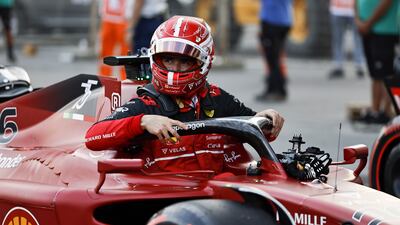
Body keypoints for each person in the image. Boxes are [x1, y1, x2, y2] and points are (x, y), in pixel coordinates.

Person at [85, 16, 285, 174]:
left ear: (205, 61)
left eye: (186, 61)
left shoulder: (216, 98)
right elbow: (93, 137)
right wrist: (143, 122)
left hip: (216, 195)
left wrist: (267, 118)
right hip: (164, 199)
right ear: (155, 58)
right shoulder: (146, 104)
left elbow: (256, 128)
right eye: (169, 59)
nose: (175, 68)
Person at [355, 0, 399, 123]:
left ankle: (386, 111)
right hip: (368, 27)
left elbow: (387, 2)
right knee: (375, 74)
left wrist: (368, 23)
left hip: (384, 29)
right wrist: (358, 19)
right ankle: (375, 110)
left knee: (386, 73)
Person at [255, 0, 293, 102]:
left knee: (272, 60)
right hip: (284, 21)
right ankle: (277, 89)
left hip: (272, 21)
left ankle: (275, 90)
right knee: (276, 58)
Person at [328, 0, 365, 79]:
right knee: (337, 39)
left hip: (355, 9)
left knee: (358, 38)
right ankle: (338, 65)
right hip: (337, 9)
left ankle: (359, 65)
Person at [98, 0, 132, 80]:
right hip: (107, 19)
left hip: (123, 20)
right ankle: (104, 79)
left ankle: (125, 79)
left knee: (125, 54)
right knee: (105, 53)